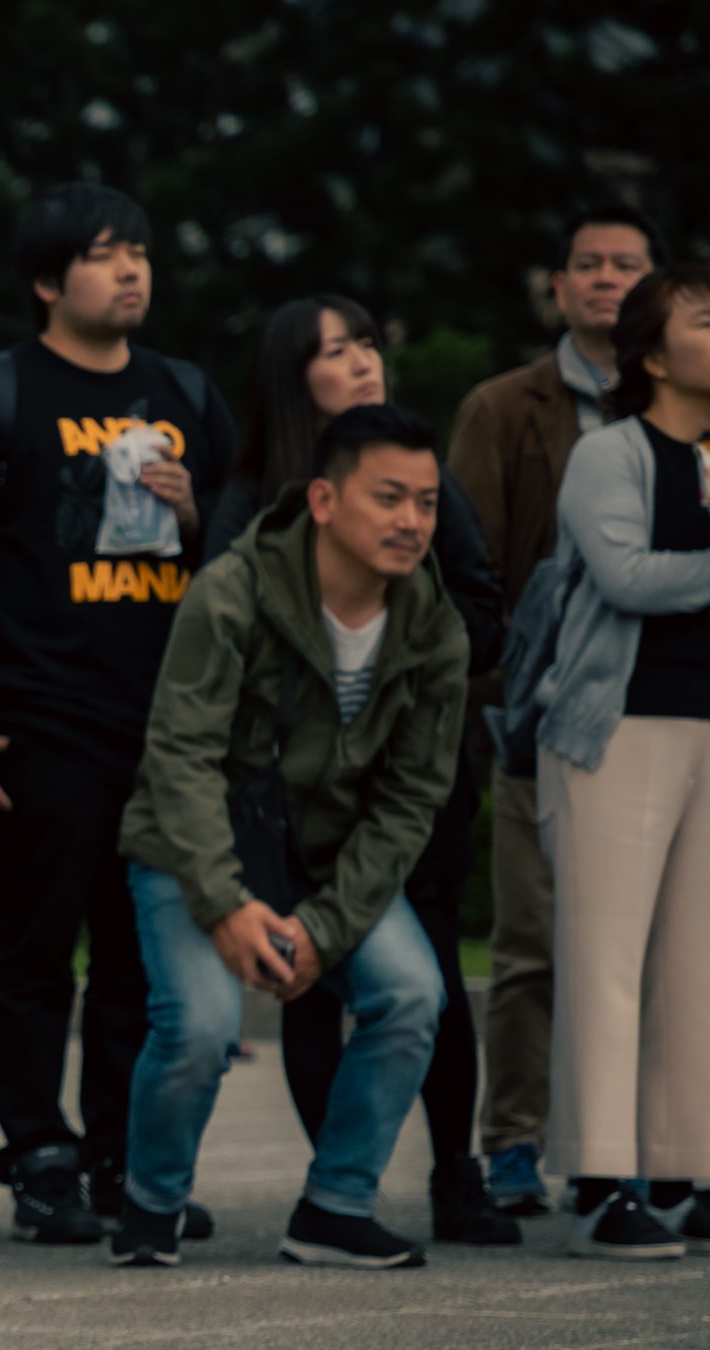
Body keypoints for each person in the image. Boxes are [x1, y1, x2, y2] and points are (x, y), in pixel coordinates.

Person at [0, 180, 236, 1246]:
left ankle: (121, 1161)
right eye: (104, 254)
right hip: (43, 713)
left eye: (139, 250)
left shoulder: (185, 390)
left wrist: (195, 520)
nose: (131, 269)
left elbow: (235, 571)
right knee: (35, 948)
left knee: (139, 960)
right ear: (49, 281)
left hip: (168, 724)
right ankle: (38, 1155)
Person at [115, 406, 466, 1269]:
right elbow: (181, 755)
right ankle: (150, 1200)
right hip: (194, 845)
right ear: (322, 498)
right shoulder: (231, 590)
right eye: (388, 497)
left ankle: (335, 1204)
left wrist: (327, 927)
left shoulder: (434, 629)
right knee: (200, 1026)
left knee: (414, 993)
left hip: (325, 861)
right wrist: (226, 904)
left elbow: (411, 799)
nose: (411, 521)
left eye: (425, 501)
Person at [207, 295, 515, 1246]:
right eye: (335, 351)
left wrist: (405, 655)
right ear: (292, 376)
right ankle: (339, 1185)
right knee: (311, 978)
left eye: (368, 344)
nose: (362, 362)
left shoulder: (420, 480)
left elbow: (482, 604)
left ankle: (455, 1173)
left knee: (427, 969)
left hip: (412, 776)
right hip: (284, 796)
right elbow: (218, 643)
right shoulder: (253, 488)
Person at [520, 265, 710, 1260]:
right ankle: (599, 1182)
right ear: (653, 355)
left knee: (696, 963)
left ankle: (679, 1173)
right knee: (605, 961)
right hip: (609, 731)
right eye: (706, 321)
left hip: (709, 730)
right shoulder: (606, 454)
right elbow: (623, 577)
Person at [447, 207, 667, 1217]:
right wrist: (494, 696)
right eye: (587, 265)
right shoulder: (503, 407)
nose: (605, 280)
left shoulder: (699, 409)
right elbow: (469, 565)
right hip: (540, 707)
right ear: (557, 284)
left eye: (627, 264)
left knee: (651, 948)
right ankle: (513, 1141)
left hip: (665, 706)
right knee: (530, 941)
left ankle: (635, 1151)